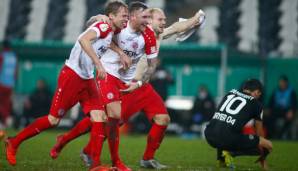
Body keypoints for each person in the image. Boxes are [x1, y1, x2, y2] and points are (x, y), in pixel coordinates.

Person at [50, 4, 206, 170]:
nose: (163, 22)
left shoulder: (155, 35)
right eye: (160, 19)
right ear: (147, 19)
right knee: (106, 121)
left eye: (164, 20)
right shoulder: (125, 29)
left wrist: (196, 18)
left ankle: (147, 158)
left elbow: (176, 27)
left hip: (141, 86)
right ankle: (73, 144)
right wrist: (99, 17)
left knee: (163, 119)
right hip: (123, 84)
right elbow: (104, 30)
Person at [5, 1, 128, 170]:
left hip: (86, 78)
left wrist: (120, 52)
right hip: (72, 76)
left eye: (127, 16)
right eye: (124, 16)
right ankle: (14, 141)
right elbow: (84, 39)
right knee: (53, 120)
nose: (126, 19)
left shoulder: (113, 28)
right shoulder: (105, 26)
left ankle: (95, 165)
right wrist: (98, 64)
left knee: (100, 117)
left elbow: (100, 36)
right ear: (112, 16)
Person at [204, 79, 273, 170]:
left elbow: (222, 119)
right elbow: (259, 133)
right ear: (256, 92)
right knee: (268, 145)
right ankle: (231, 153)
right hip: (226, 137)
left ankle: (222, 160)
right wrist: (263, 157)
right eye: (259, 94)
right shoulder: (256, 104)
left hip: (209, 134)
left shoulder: (230, 93)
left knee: (226, 127)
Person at [266, 75, 297, 139]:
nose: (281, 83)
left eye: (283, 82)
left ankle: (281, 136)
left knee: (289, 120)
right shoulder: (276, 91)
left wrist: (291, 111)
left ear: (286, 83)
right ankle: (271, 136)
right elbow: (271, 103)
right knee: (268, 118)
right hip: (277, 110)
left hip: (287, 111)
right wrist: (268, 109)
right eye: (280, 82)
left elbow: (294, 104)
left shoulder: (291, 91)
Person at [0, 40, 17, 128]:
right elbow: (16, 72)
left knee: (2, 103)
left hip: (2, 83)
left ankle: (4, 121)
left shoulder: (2, 56)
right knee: (6, 103)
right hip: (10, 84)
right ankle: (7, 120)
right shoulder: (14, 56)